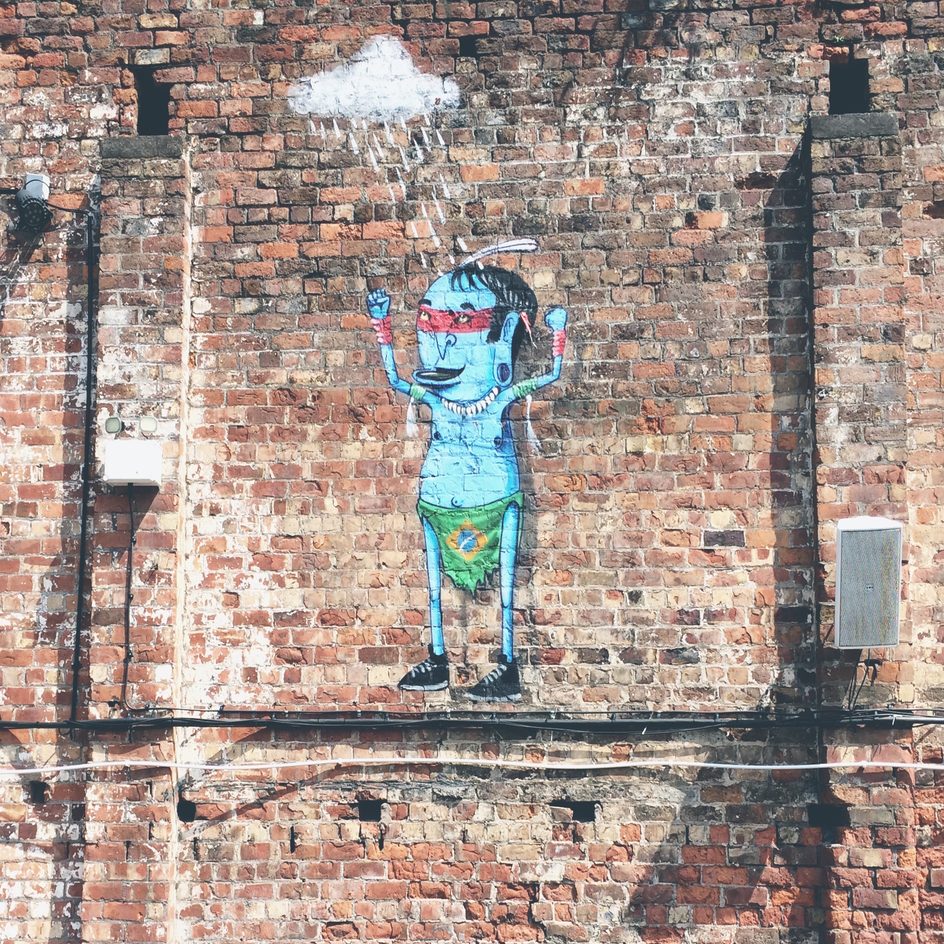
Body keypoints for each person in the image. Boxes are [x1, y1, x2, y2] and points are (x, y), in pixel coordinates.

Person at [366, 254, 567, 701]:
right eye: (429, 322)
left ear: (504, 333)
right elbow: (395, 378)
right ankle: (438, 657)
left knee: (507, 583)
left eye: (460, 321)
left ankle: (507, 662)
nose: (440, 343)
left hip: (496, 498)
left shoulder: (501, 397)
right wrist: (381, 324)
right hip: (438, 499)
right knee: (433, 585)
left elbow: (553, 374)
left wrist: (558, 333)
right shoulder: (437, 400)